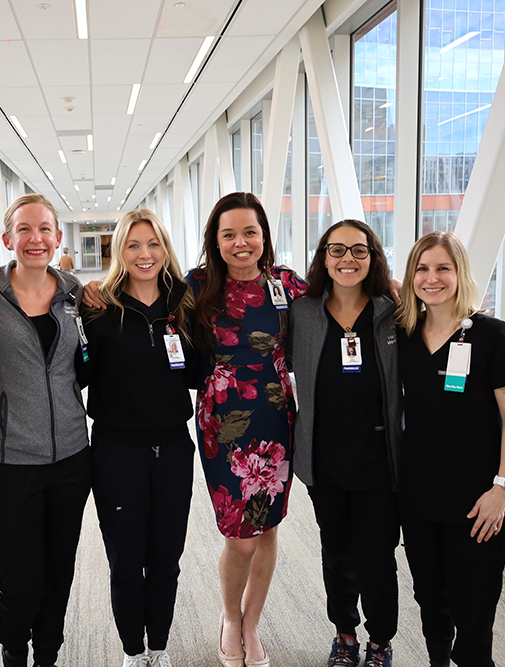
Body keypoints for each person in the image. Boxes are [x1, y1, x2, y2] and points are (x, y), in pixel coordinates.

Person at [0, 194, 90, 667]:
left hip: (73, 458)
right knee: (19, 578)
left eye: (45, 230)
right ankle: (15, 651)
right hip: (7, 461)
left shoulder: (75, 292)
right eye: (24, 229)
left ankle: (48, 656)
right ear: (7, 238)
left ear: (59, 238)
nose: (35, 238)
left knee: (60, 571)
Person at [395, 232, 505, 667]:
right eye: (422, 268)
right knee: (430, 601)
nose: (432, 278)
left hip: (478, 500)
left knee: (474, 609)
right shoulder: (404, 334)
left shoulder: (490, 335)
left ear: (460, 274)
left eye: (442, 268)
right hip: (419, 497)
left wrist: (502, 488)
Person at [189, 192, 306, 667]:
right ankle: (229, 617)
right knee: (241, 535)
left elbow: (347, 297)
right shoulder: (196, 285)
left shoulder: (286, 283)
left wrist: (395, 285)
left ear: (264, 236)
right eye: (229, 234)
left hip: (276, 416)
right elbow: (139, 293)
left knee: (269, 526)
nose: (241, 243)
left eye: (250, 232)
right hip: (223, 421)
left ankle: (252, 623)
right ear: (215, 241)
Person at [80, 209, 197, 667]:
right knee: (126, 561)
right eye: (133, 245)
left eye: (153, 244)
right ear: (119, 251)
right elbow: (80, 372)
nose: (144, 254)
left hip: (172, 448)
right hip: (116, 451)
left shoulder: (185, 301)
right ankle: (132, 650)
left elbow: (201, 370)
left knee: (167, 557)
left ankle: (159, 647)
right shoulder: (100, 305)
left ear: (165, 248)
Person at [288, 220, 401, 667]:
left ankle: (381, 641)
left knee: (377, 557)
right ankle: (345, 635)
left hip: (378, 459)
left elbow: (448, 313)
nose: (347, 259)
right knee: (335, 552)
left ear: (372, 257)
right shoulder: (303, 312)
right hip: (324, 458)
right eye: (337, 250)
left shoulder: (393, 310)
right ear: (323, 258)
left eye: (359, 250)